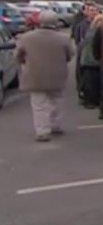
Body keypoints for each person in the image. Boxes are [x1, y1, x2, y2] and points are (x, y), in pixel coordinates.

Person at [15, 11, 75, 141]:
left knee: (39, 105)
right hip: (57, 74)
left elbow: (18, 55)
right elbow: (70, 55)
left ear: (39, 22)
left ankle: (42, 130)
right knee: (57, 101)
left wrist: (25, 62)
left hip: (35, 75)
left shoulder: (26, 38)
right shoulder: (63, 38)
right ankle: (56, 125)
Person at [78, 13, 103, 110]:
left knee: (92, 82)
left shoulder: (90, 32)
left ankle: (91, 100)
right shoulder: (95, 33)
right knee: (91, 83)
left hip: (88, 60)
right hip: (91, 60)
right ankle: (90, 101)